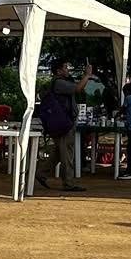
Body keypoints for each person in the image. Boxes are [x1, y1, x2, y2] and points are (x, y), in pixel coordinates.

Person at [37, 59, 89, 192]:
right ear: (59, 70)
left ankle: (41, 173)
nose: (68, 69)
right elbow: (78, 88)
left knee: (59, 152)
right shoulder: (59, 83)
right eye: (65, 67)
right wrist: (87, 75)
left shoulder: (58, 82)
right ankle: (68, 183)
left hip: (61, 123)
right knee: (67, 154)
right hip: (65, 124)